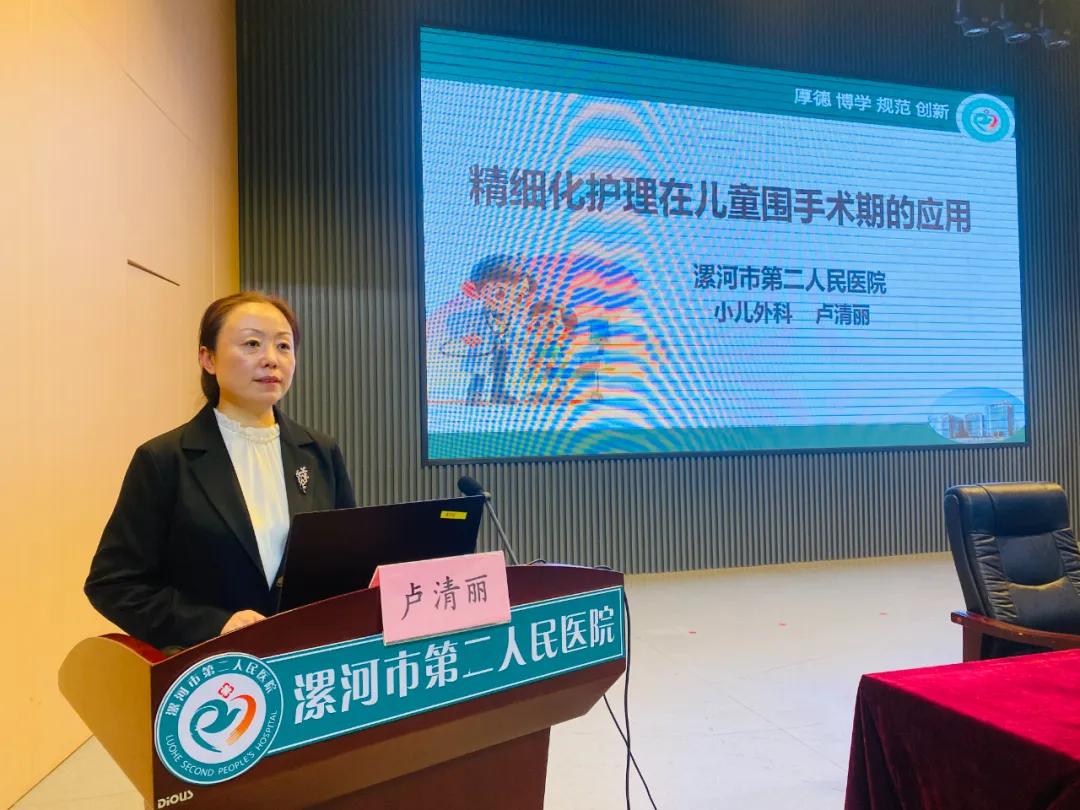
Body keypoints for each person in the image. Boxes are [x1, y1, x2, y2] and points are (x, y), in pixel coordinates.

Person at [85, 292, 356, 650]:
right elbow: (113, 584)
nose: (271, 359)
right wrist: (215, 624)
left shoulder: (320, 452)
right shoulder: (165, 459)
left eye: (283, 346)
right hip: (213, 668)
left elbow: (349, 565)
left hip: (306, 661)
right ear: (208, 359)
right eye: (252, 344)